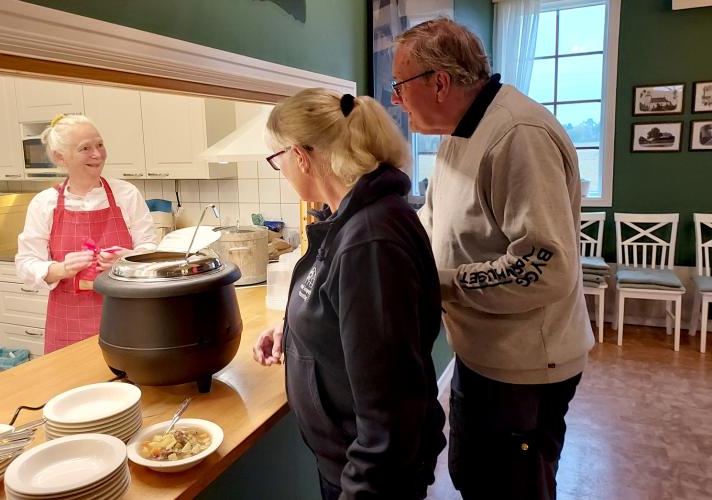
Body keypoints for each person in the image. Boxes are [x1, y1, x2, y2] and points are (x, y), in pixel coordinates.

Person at [391, 17, 595, 500]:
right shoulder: (457, 133)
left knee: (512, 490)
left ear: (439, 82)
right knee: (473, 476)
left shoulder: (517, 136)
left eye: (399, 86)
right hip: (482, 352)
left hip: (524, 366)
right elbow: (432, 219)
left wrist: (437, 282)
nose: (396, 101)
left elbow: (545, 269)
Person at [252, 89, 446, 499]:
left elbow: (388, 410)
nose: (280, 169)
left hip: (371, 477)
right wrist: (292, 331)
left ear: (301, 156)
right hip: (349, 461)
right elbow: (348, 318)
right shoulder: (348, 219)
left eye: (277, 159)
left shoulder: (369, 240)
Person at [15, 114, 157, 354]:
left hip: (128, 319)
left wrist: (129, 259)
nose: (98, 154)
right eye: (85, 148)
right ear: (61, 157)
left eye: (100, 144)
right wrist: (62, 269)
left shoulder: (126, 194)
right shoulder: (44, 204)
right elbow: (26, 263)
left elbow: (151, 249)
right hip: (68, 325)